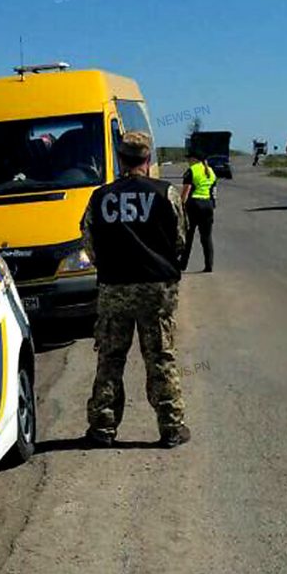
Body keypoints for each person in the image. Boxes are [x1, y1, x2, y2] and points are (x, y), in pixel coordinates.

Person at [80, 131, 191, 449]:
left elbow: (89, 243)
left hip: (115, 289)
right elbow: (180, 239)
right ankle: (171, 427)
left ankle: (103, 427)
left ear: (120, 158)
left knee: (111, 359)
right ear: (148, 158)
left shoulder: (100, 197)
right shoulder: (166, 193)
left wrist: (111, 265)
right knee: (160, 357)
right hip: (157, 290)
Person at [180, 151, 218, 272]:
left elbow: (186, 191)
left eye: (189, 159)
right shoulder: (211, 171)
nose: (188, 161)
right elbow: (214, 192)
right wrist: (212, 205)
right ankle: (209, 265)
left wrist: (181, 206)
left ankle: (183, 264)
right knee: (206, 237)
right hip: (207, 205)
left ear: (194, 159)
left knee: (188, 236)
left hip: (193, 205)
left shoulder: (191, 171)